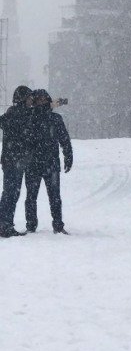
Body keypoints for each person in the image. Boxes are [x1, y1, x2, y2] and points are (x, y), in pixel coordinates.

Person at [25, 90, 73, 234]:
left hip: (50, 163)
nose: (41, 102)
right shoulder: (29, 117)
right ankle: (31, 225)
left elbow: (64, 139)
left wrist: (68, 155)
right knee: (31, 197)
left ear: (47, 100)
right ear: (34, 102)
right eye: (38, 99)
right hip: (33, 164)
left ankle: (58, 225)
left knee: (54, 197)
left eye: (43, 99)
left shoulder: (54, 118)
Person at [0, 86, 34, 238]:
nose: (31, 100)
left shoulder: (11, 113)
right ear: (22, 98)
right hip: (15, 160)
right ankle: (5, 225)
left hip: (11, 159)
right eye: (29, 97)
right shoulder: (22, 114)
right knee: (11, 193)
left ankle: (5, 223)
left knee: (10, 192)